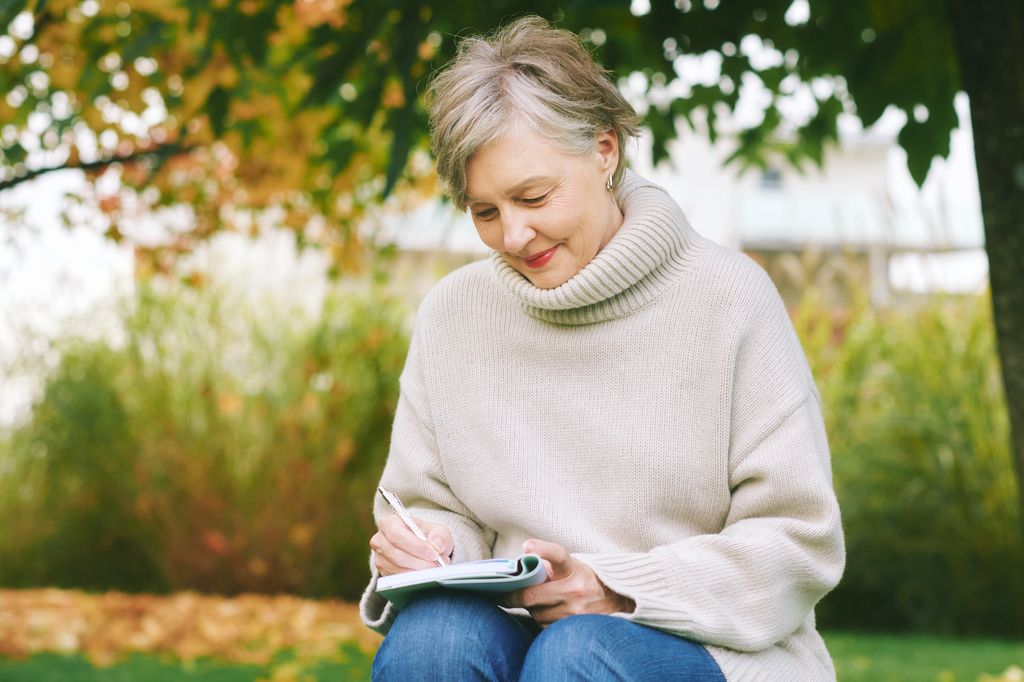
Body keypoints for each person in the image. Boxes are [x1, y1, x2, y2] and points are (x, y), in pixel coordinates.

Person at [359, 15, 845, 681]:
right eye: (485, 211)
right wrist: (428, 550)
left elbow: (797, 543)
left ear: (604, 150)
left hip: (710, 653)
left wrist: (616, 588)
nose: (514, 235)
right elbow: (428, 505)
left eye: (533, 196)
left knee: (577, 654)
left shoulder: (729, 300)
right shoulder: (454, 315)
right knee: (430, 645)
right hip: (511, 636)